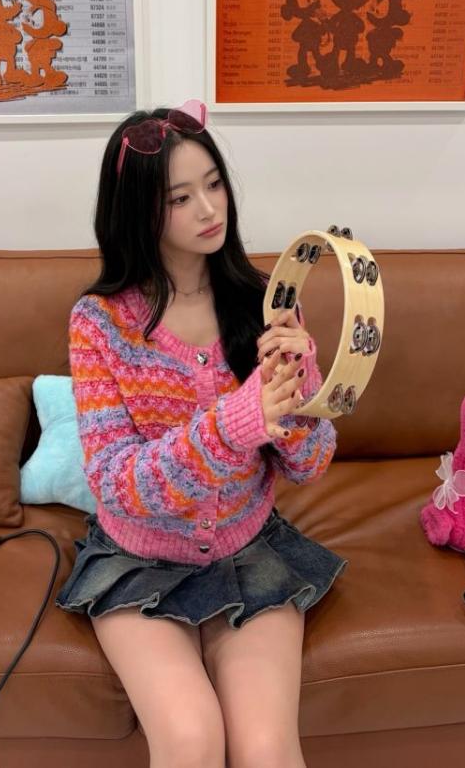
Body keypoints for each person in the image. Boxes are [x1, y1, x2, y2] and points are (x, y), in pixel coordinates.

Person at [55, 98, 347, 768]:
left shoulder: (269, 300)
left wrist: (298, 389)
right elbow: (116, 483)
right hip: (136, 560)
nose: (210, 210)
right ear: (139, 212)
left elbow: (309, 464)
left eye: (214, 184)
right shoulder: (100, 323)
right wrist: (235, 423)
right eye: (180, 198)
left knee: (267, 749)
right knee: (190, 740)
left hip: (249, 549)